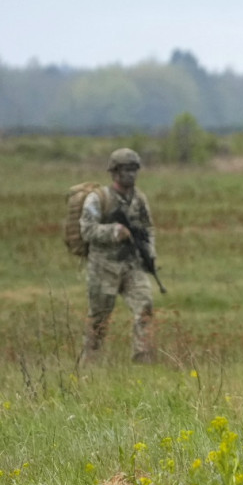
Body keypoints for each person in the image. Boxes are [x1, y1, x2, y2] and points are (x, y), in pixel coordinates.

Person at [79, 148, 158, 366]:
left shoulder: (139, 199)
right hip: (103, 267)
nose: (131, 174)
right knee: (99, 320)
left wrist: (150, 254)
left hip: (132, 265)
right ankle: (89, 365)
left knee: (145, 307)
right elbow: (87, 230)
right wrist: (114, 231)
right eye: (126, 170)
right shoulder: (98, 199)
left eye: (134, 169)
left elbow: (148, 228)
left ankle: (143, 358)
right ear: (114, 172)